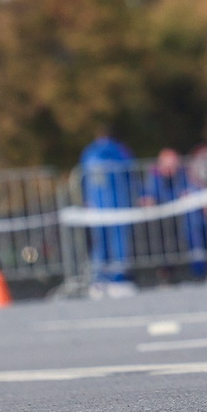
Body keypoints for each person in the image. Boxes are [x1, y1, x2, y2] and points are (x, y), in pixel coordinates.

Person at [76, 127, 137, 297]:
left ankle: (99, 281)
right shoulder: (120, 151)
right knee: (118, 243)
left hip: (97, 206)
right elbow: (131, 176)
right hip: (118, 205)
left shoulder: (89, 153)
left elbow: (82, 180)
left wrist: (86, 201)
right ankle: (119, 280)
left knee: (99, 244)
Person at [137, 148, 207, 282]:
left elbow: (195, 190)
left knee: (193, 227)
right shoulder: (153, 177)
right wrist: (147, 200)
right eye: (168, 165)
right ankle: (165, 272)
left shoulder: (184, 175)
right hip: (163, 223)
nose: (171, 168)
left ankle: (199, 270)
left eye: (174, 165)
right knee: (160, 236)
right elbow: (146, 196)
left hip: (183, 220)